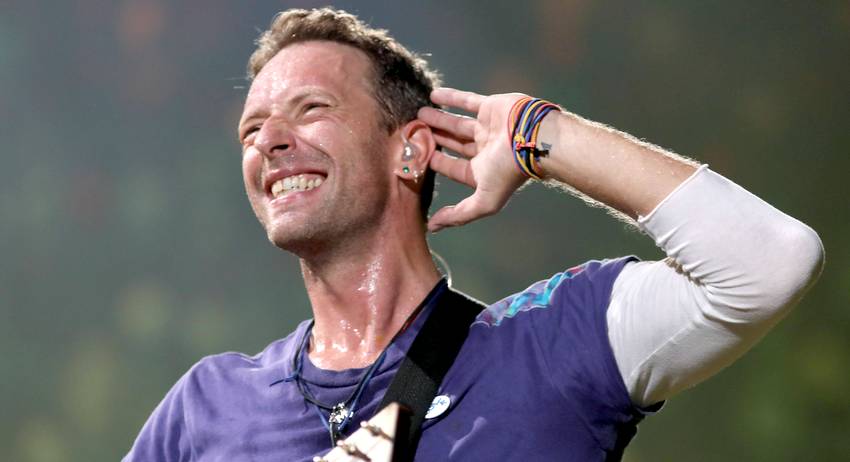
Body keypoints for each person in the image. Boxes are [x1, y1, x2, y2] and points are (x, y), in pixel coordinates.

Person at [124, 7, 824, 462]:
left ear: (411, 150)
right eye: (252, 129)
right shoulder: (207, 406)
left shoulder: (552, 346)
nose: (269, 141)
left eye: (310, 109)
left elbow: (772, 263)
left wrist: (541, 134)